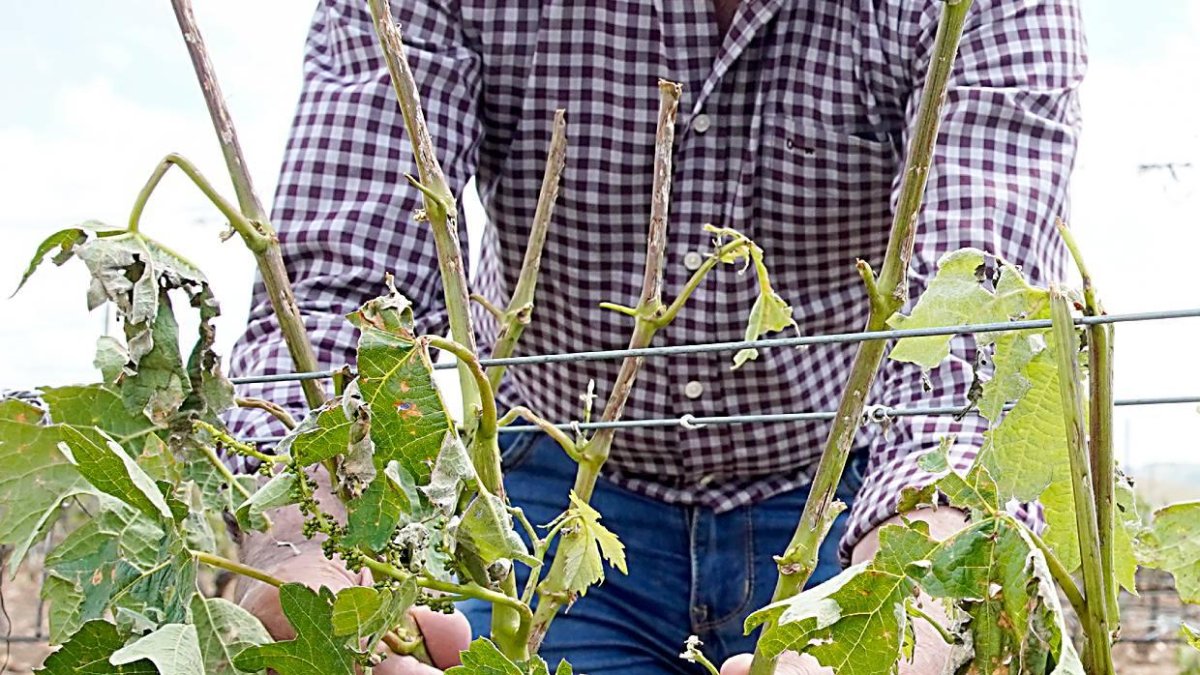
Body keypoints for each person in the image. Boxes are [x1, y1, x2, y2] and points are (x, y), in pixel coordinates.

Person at [226, 0, 1085, 672]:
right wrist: (305, 554)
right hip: (548, 495)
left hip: (849, 487)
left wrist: (912, 602)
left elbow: (978, 327)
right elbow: (342, 292)